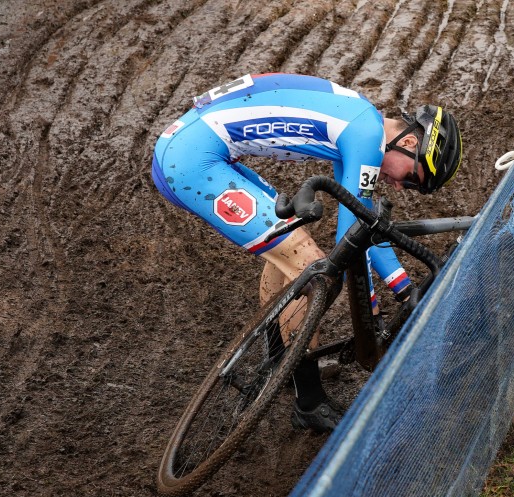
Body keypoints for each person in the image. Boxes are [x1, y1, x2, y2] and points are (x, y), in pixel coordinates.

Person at [151, 73, 462, 433]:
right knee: (315, 271)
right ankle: (309, 402)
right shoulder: (365, 137)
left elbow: (362, 221)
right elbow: (353, 233)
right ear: (409, 141)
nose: (399, 185)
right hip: (192, 160)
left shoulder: (363, 121)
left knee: (289, 249)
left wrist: (403, 287)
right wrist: (373, 306)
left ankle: (283, 361)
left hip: (193, 146)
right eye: (411, 177)